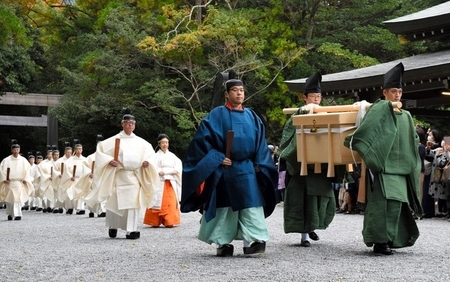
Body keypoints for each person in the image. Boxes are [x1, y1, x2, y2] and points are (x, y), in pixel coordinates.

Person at [181, 74, 278, 257]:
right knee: (224, 208)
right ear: (227, 94)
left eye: (241, 90)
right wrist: (217, 158)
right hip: (225, 169)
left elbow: (260, 143)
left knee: (251, 206)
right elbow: (201, 144)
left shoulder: (252, 116)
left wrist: (259, 163)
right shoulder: (216, 115)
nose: (239, 94)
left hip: (247, 168)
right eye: (235, 90)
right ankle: (222, 243)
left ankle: (254, 241)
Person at [344, 62, 422, 255]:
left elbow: (413, 140)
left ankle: (392, 240)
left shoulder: (407, 116)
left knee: (398, 207)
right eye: (393, 91)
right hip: (383, 167)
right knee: (383, 205)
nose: (397, 95)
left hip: (403, 168)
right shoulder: (378, 110)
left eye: (399, 91)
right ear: (385, 92)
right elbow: (368, 132)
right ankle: (380, 241)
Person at [279, 72, 345, 247]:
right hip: (302, 167)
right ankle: (304, 235)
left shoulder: (326, 115)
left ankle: (312, 227)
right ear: (304, 97)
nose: (316, 100)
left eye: (319, 96)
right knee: (302, 200)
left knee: (319, 199)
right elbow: (288, 140)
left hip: (322, 166)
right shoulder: (298, 114)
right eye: (313, 96)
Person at [84, 109, 159, 239]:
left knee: (133, 204)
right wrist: (109, 161)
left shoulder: (142, 143)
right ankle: (113, 227)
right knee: (115, 204)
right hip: (119, 176)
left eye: (132, 123)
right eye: (127, 123)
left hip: (135, 176)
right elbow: (101, 153)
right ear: (122, 124)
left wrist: (147, 162)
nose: (130, 125)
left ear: (135, 125)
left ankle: (132, 230)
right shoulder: (113, 140)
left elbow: (151, 156)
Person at [143, 134, 182, 228]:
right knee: (156, 199)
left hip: (170, 181)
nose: (165, 144)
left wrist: (175, 171)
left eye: (166, 142)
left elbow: (178, 166)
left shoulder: (172, 156)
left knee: (171, 200)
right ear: (159, 144)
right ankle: (154, 221)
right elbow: (151, 167)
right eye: (163, 143)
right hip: (159, 181)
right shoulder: (155, 156)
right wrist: (158, 171)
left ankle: (169, 221)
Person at [0, 139, 33, 220]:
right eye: (14, 149)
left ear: (19, 150)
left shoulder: (23, 160)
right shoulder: (6, 160)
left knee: (17, 198)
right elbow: (2, 170)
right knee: (10, 199)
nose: (16, 151)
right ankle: (10, 214)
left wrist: (26, 178)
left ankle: (18, 214)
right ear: (12, 150)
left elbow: (28, 170)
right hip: (9, 182)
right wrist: (4, 179)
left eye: (17, 149)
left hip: (19, 182)